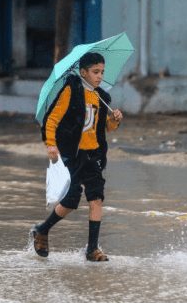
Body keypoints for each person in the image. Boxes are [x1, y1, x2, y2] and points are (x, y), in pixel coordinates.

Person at [31, 52, 123, 261]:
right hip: (73, 154)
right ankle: (43, 229)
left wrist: (114, 120)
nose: (99, 76)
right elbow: (52, 119)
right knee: (71, 200)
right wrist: (51, 144)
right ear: (83, 72)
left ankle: (92, 248)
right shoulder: (71, 91)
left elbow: (105, 128)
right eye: (95, 72)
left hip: (94, 155)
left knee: (96, 197)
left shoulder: (101, 97)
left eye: (102, 72)